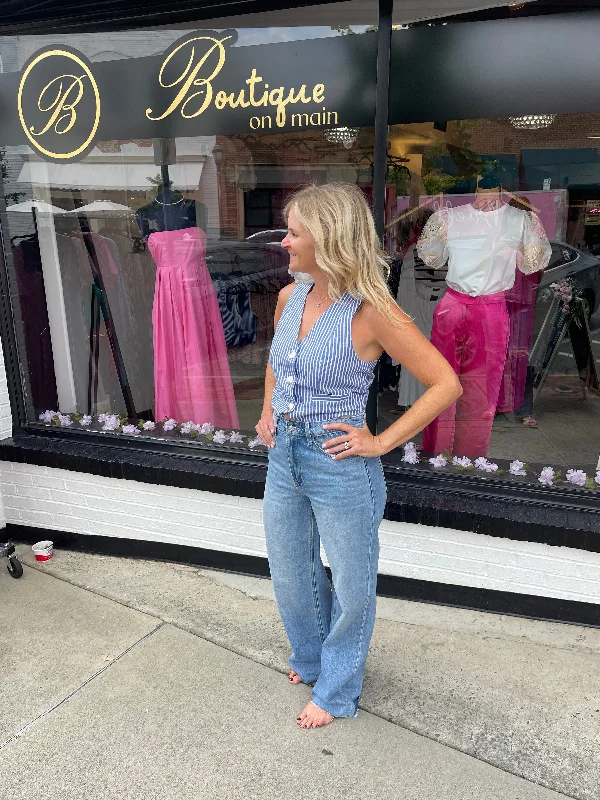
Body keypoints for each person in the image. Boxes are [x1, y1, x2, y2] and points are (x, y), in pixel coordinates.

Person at [255, 183, 462, 730]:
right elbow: (281, 359)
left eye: (295, 232)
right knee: (291, 573)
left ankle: (339, 688)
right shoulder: (288, 297)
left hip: (340, 465)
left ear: (327, 239)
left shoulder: (372, 313)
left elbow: (445, 383)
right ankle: (311, 658)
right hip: (285, 459)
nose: (285, 241)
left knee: (351, 583)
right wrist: (268, 409)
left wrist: (379, 442)